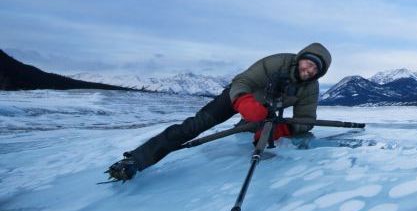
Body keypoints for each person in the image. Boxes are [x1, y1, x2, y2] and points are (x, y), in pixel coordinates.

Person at [106, 43, 332, 182]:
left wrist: (284, 129)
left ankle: (247, 127)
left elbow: (306, 119)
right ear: (300, 58)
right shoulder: (276, 63)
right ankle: (135, 160)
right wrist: (244, 102)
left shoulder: (310, 87)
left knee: (257, 131)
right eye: (308, 63)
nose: (309, 70)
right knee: (195, 125)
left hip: (266, 112)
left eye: (315, 69)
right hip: (237, 98)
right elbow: (243, 81)